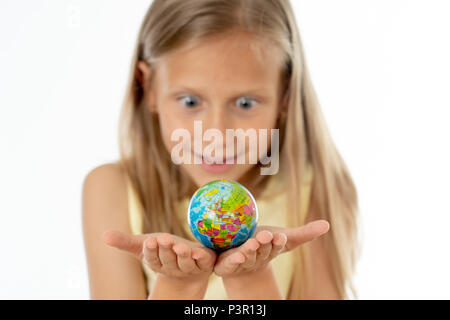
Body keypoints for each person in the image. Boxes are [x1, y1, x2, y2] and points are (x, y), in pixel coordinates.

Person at [82, 0, 360, 300]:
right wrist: (178, 284)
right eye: (190, 102)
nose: (216, 135)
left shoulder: (318, 192)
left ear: (285, 96)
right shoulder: (112, 189)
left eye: (245, 104)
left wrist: (250, 278)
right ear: (147, 86)